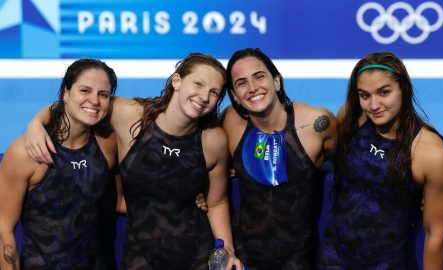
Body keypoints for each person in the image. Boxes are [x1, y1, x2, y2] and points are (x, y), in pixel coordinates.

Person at [25, 53, 242, 270]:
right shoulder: (128, 115)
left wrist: (228, 249)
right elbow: (78, 106)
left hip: (196, 257)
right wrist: (37, 122)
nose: (204, 96)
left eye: (214, 92)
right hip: (139, 257)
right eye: (198, 84)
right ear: (177, 81)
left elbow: (217, 202)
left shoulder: (213, 140)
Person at [318, 52, 443, 269]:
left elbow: (435, 234)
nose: (373, 105)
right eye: (364, 95)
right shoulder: (352, 119)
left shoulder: (430, 152)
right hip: (332, 260)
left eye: (384, 92)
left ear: (403, 90)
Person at [222, 48, 337, 269]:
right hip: (245, 260)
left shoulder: (317, 124)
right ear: (235, 96)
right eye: (241, 83)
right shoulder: (230, 123)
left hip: (300, 261)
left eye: (259, 76)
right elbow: (200, 157)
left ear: (276, 81)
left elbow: (352, 162)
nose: (253, 88)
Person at [0, 58, 121, 269]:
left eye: (103, 95)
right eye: (85, 90)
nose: (94, 101)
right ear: (66, 93)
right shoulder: (24, 152)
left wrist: (192, 199)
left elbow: (121, 200)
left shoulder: (109, 145)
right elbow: (4, 229)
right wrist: (37, 122)